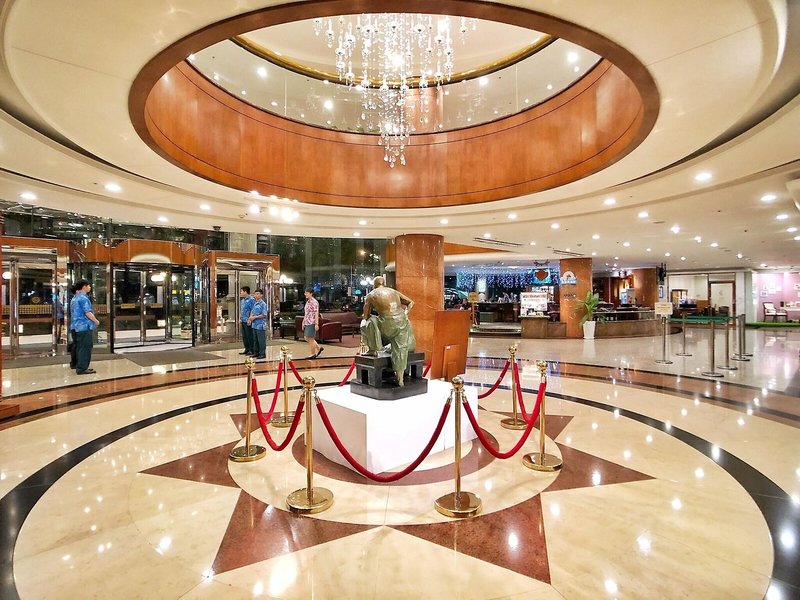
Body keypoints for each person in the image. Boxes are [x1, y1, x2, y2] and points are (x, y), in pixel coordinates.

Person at [360, 276, 415, 386]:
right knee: (400, 348)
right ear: (384, 283)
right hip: (401, 322)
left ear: (374, 285)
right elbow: (411, 302)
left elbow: (365, 316)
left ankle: (373, 349)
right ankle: (400, 378)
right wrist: (405, 313)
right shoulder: (393, 291)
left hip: (386, 324)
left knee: (367, 322)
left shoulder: (371, 295)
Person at [69, 279, 100, 375]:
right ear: (84, 286)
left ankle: (75, 364)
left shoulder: (74, 298)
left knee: (77, 346)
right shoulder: (83, 298)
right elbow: (87, 312)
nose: (90, 287)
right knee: (85, 347)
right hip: (84, 326)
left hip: (75, 326)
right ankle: (82, 368)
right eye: (89, 285)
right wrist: (96, 321)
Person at [248, 289, 268, 359]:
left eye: (257, 294)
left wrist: (255, 317)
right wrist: (250, 318)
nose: (256, 295)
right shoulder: (255, 303)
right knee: (255, 340)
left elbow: (264, 315)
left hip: (260, 325)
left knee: (261, 340)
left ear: (261, 295)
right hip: (254, 325)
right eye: (255, 294)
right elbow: (252, 311)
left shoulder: (263, 304)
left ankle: (262, 353)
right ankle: (256, 352)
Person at [302, 288, 322, 359]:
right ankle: (319, 348)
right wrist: (303, 321)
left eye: (307, 293)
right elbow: (306, 313)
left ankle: (313, 353)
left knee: (310, 338)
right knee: (306, 337)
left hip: (312, 322)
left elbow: (316, 313)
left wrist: (316, 324)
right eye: (305, 293)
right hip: (307, 321)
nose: (305, 294)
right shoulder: (308, 302)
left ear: (311, 293)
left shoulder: (314, 302)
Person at [239, 286, 255, 355]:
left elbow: (252, 309)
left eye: (242, 291)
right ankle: (247, 349)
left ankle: (252, 349)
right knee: (244, 336)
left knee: (249, 336)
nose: (241, 293)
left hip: (248, 320)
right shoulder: (242, 301)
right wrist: (240, 317)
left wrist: (250, 318)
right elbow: (242, 310)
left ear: (245, 291)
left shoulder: (252, 299)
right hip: (243, 320)